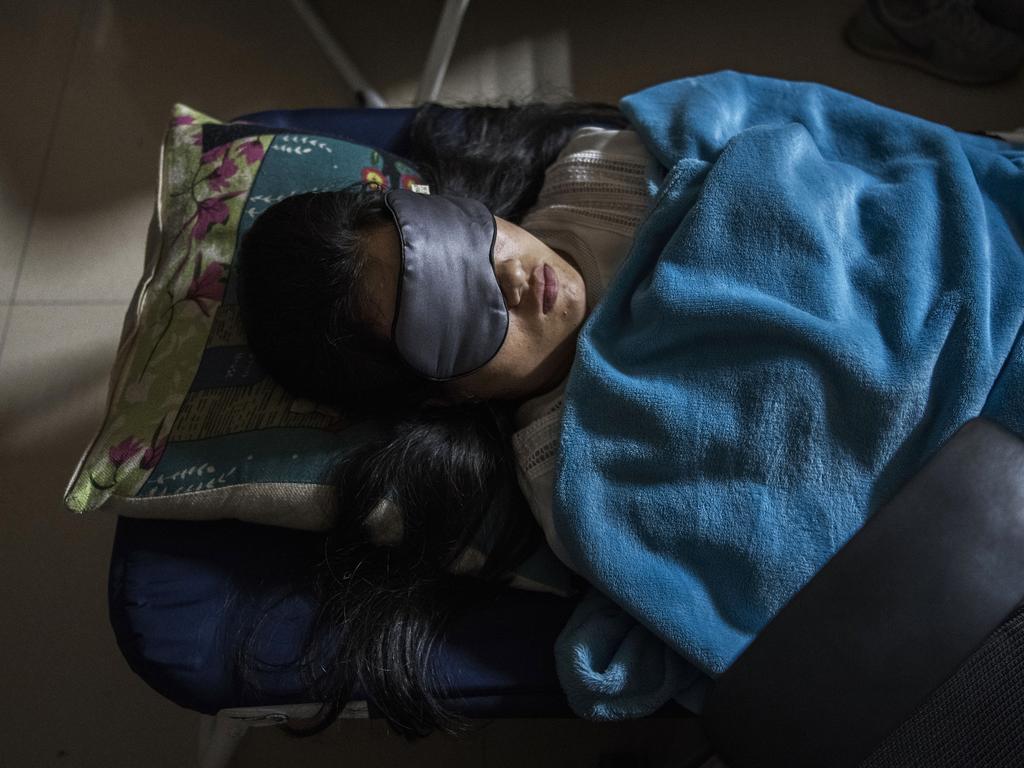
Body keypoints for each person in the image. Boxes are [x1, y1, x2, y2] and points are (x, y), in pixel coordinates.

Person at [233, 98, 651, 739]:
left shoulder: (602, 168)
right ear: (443, 397)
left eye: (462, 240)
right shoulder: (582, 481)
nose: (509, 277)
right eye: (451, 318)